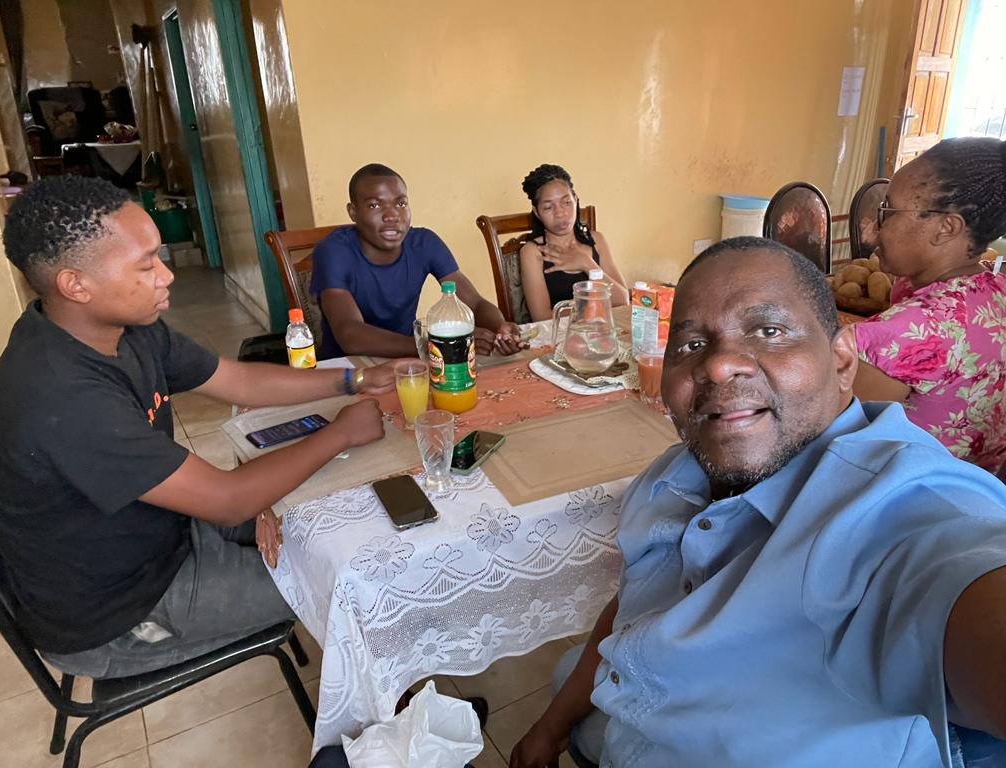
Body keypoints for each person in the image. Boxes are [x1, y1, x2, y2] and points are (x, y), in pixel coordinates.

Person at [511, 236, 1006, 768]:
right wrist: (549, 727)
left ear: (842, 359)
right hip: (626, 732)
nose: (719, 365)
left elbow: (957, 573)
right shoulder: (671, 477)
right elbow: (638, 601)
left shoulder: (898, 511)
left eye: (769, 331)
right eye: (691, 345)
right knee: (568, 674)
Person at [0, 176, 399, 680]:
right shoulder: (60, 394)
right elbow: (228, 499)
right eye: (146, 265)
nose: (167, 275)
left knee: (333, 517)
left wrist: (353, 380)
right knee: (353, 585)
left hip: (161, 532)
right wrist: (341, 433)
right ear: (77, 285)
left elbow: (237, 380)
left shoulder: (124, 329)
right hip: (122, 609)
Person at [852, 137, 1006, 473]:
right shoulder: (996, 290)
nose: (876, 224)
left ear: (946, 228)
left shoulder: (910, 331)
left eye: (887, 210)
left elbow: (829, 431)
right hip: (980, 486)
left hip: (906, 492)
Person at [311, 163, 525, 359]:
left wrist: (500, 328)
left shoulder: (423, 243)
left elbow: (475, 304)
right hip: (346, 367)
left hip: (409, 359)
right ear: (353, 212)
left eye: (401, 203)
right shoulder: (333, 251)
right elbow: (350, 333)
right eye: (374, 205)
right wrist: (435, 346)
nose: (392, 215)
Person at [519, 164, 627, 321]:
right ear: (537, 213)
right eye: (548, 207)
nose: (560, 212)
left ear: (576, 201)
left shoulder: (596, 240)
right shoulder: (533, 252)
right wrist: (598, 307)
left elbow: (623, 300)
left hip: (602, 331)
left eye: (567, 202)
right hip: (560, 334)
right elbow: (541, 317)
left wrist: (587, 264)